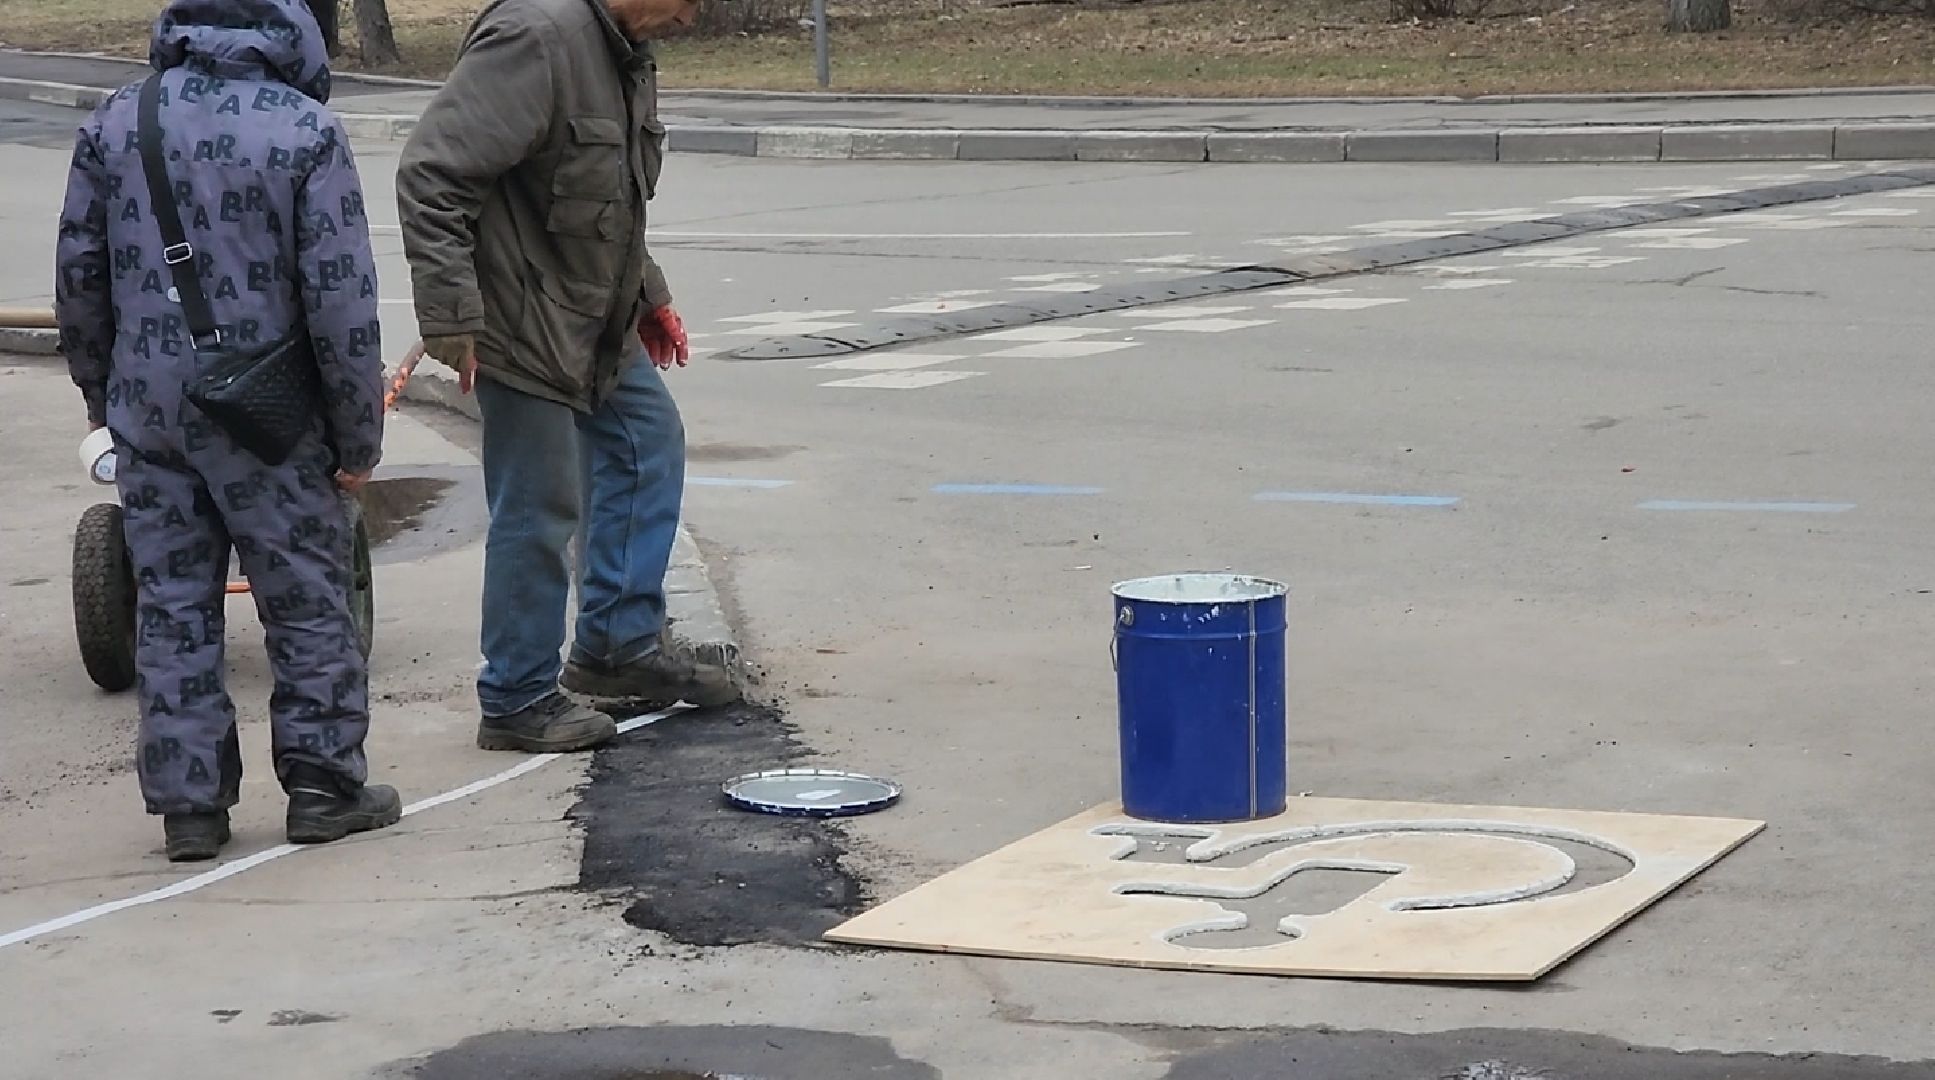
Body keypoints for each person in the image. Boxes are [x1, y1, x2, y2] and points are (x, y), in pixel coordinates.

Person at [54, 0, 401, 861]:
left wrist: (104, 397)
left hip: (148, 404)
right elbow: (342, 302)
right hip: (268, 411)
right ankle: (324, 786)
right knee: (305, 593)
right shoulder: (306, 130)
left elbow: (79, 273)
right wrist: (356, 438)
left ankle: (191, 809)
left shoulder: (117, 118)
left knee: (170, 603)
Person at [396, 0, 738, 756]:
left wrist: (648, 294)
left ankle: (618, 647)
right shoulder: (534, 39)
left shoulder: (623, 51)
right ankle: (515, 696)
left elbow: (609, 196)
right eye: (690, 2)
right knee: (540, 506)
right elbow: (433, 175)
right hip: (517, 322)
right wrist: (451, 315)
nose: (692, 20)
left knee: (648, 439)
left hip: (594, 319)